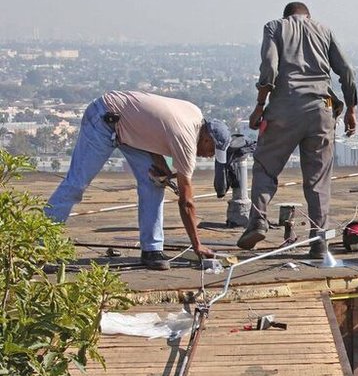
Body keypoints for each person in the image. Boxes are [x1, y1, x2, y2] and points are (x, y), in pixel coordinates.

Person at [45, 91, 230, 270]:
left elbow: (153, 128)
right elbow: (186, 203)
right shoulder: (188, 139)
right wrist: (197, 245)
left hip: (128, 126)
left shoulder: (195, 114)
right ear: (206, 139)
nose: (208, 156)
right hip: (104, 118)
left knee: (154, 182)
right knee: (76, 184)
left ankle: (152, 250)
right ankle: (40, 245)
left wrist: (160, 164)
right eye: (211, 151)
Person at [237, 1, 358, 258]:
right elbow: (346, 70)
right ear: (308, 16)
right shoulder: (324, 30)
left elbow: (269, 67)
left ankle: (258, 221)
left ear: (287, 15)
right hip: (321, 110)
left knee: (266, 167)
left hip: (284, 108)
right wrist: (351, 110)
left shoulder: (274, 27)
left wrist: (260, 105)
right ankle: (318, 241)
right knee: (318, 181)